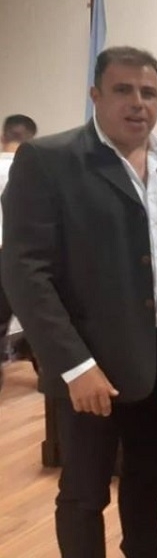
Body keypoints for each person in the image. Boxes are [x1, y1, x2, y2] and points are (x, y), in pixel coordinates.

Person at [0, 47, 157, 558]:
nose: (137, 103)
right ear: (95, 95)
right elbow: (24, 271)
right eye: (122, 90)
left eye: (148, 92)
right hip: (89, 363)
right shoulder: (49, 160)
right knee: (84, 493)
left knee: (148, 482)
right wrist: (74, 365)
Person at [0, 114, 37, 388]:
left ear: (3, 137)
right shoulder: (33, 172)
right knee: (37, 320)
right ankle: (47, 375)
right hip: (24, 257)